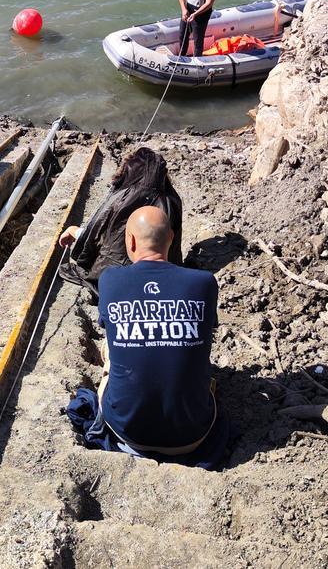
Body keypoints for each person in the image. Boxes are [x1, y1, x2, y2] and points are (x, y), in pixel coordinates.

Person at [65, 206, 227, 468]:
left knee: (111, 348)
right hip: (194, 434)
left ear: (130, 241)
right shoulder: (204, 282)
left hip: (128, 432)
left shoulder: (111, 280)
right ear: (171, 238)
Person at [57, 147, 183, 295]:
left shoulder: (120, 199)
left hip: (111, 277)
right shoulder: (172, 202)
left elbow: (95, 239)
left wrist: (73, 230)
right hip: (162, 280)